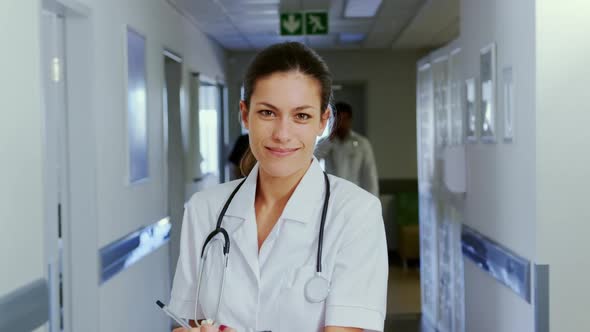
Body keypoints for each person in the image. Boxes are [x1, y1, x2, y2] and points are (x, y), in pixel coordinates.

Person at [169, 42, 388, 332]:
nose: (282, 134)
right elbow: (187, 321)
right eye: (268, 113)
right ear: (245, 115)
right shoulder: (205, 209)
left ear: (323, 122)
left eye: (301, 116)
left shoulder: (356, 213)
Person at [315, 102, 379, 197]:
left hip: (355, 195)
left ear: (350, 120)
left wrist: (374, 200)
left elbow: (370, 175)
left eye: (345, 119)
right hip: (331, 195)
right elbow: (313, 160)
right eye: (339, 119)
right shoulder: (325, 142)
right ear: (334, 120)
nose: (342, 124)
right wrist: (330, 140)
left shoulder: (362, 143)